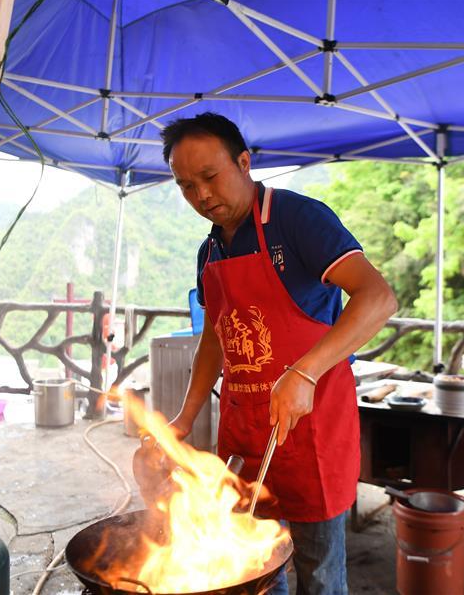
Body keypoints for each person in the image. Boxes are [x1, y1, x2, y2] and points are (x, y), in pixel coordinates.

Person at [160, 112, 396, 594]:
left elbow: (378, 298)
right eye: (186, 186)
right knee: (253, 569)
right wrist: (184, 417)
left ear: (244, 162)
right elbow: (215, 339)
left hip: (311, 428)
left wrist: (305, 373)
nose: (201, 195)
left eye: (210, 176)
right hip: (245, 432)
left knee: (319, 572)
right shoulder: (209, 252)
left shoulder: (297, 219)